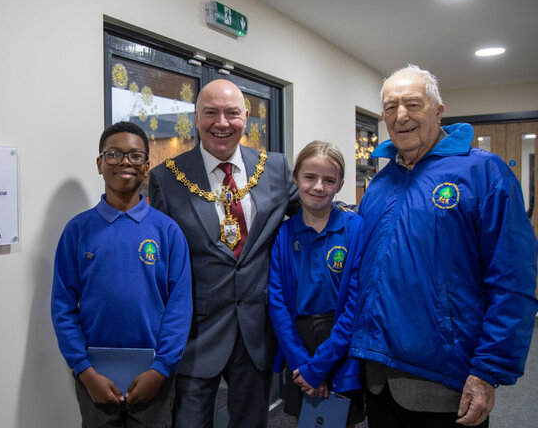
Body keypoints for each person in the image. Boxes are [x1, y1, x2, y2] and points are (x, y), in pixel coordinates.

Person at [349, 64, 538, 427]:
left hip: (443, 380)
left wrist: (489, 369)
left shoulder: (484, 174)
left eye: (412, 104)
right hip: (376, 375)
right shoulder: (380, 184)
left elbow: (513, 279)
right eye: (390, 107)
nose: (400, 115)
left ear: (438, 111)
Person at [149, 79, 298, 427]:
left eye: (232, 113)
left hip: (255, 331)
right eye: (211, 113)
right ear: (196, 116)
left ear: (247, 117)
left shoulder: (273, 168)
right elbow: (159, 264)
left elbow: (309, 209)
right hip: (196, 334)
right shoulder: (167, 179)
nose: (222, 122)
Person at [51, 121, 193, 427]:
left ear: (146, 166)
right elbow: (63, 307)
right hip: (95, 376)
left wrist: (161, 369)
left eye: (135, 155)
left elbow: (179, 308)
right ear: (100, 163)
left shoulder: (167, 231)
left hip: (154, 375)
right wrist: (85, 371)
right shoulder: (77, 231)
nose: (124, 162)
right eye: (114, 154)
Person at [268, 141, 365, 427]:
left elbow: (356, 304)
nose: (318, 186)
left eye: (329, 180)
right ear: (295, 178)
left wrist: (321, 368)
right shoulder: (283, 234)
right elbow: (277, 305)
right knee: (307, 420)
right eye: (310, 177)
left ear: (340, 185)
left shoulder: (356, 229)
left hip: (341, 347)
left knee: (342, 420)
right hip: (298, 345)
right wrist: (303, 366)